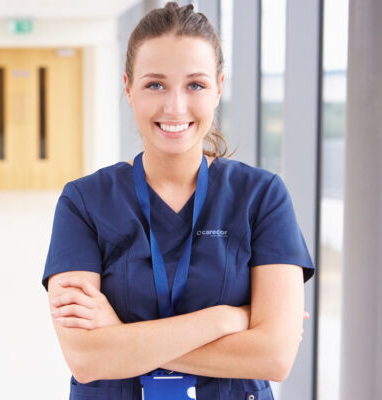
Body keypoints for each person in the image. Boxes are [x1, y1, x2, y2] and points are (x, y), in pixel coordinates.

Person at [41, 3, 315, 399]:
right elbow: (87, 359)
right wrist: (227, 319)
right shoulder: (83, 202)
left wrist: (122, 340)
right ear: (128, 87)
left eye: (195, 85)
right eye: (155, 84)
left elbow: (274, 356)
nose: (175, 107)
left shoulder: (262, 197)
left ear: (219, 87)